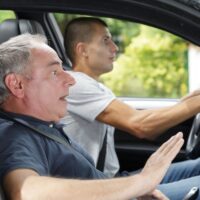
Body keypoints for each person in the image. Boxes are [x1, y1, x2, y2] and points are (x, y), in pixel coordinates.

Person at [0, 33, 186, 200]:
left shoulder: (41, 125)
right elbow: (25, 192)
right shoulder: (13, 136)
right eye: (55, 72)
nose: (71, 79)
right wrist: (139, 183)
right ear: (17, 85)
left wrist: (131, 189)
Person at [61, 16, 200, 176]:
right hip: (100, 189)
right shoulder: (76, 84)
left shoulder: (96, 87)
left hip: (114, 181)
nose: (115, 48)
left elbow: (144, 120)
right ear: (82, 50)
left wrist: (191, 100)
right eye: (106, 40)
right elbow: (141, 125)